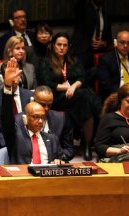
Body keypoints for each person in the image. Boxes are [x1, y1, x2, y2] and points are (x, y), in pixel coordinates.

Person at [37, 32, 101, 160]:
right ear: (53, 46)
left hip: (75, 96)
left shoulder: (73, 60)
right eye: (59, 44)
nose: (62, 48)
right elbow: (46, 83)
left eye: (65, 45)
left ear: (68, 47)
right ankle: (88, 143)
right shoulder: (45, 62)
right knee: (87, 96)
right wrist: (67, 87)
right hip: (56, 98)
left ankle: (87, 145)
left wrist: (73, 87)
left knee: (85, 100)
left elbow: (82, 77)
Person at [0, 58, 62, 164]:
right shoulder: (16, 136)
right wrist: (7, 86)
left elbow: (62, 158)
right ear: (25, 118)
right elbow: (6, 117)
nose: (40, 121)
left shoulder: (52, 139)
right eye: (35, 117)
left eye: (42, 117)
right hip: (24, 177)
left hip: (47, 178)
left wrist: (59, 161)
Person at [15, 86, 74, 161]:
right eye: (42, 104)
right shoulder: (19, 120)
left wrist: (59, 159)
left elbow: (69, 149)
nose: (46, 108)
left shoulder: (61, 119)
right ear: (33, 100)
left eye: (49, 105)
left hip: (52, 166)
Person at [71, 0, 112, 71]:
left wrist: (104, 43)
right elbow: (79, 4)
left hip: (101, 52)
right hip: (83, 51)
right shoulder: (83, 9)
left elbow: (109, 37)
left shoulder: (107, 14)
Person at [0, 65, 33, 150]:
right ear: (2, 78)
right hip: (4, 145)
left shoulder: (30, 95)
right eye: (9, 75)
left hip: (28, 143)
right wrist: (6, 143)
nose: (13, 79)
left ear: (20, 75)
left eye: (15, 75)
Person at [95, 84, 129, 160]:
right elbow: (99, 147)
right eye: (128, 102)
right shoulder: (109, 118)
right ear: (121, 100)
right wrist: (119, 151)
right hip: (117, 159)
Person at [98, 30, 129, 100]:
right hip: (117, 95)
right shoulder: (106, 59)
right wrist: (124, 93)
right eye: (122, 42)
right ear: (116, 43)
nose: (125, 46)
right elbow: (106, 86)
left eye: (128, 43)